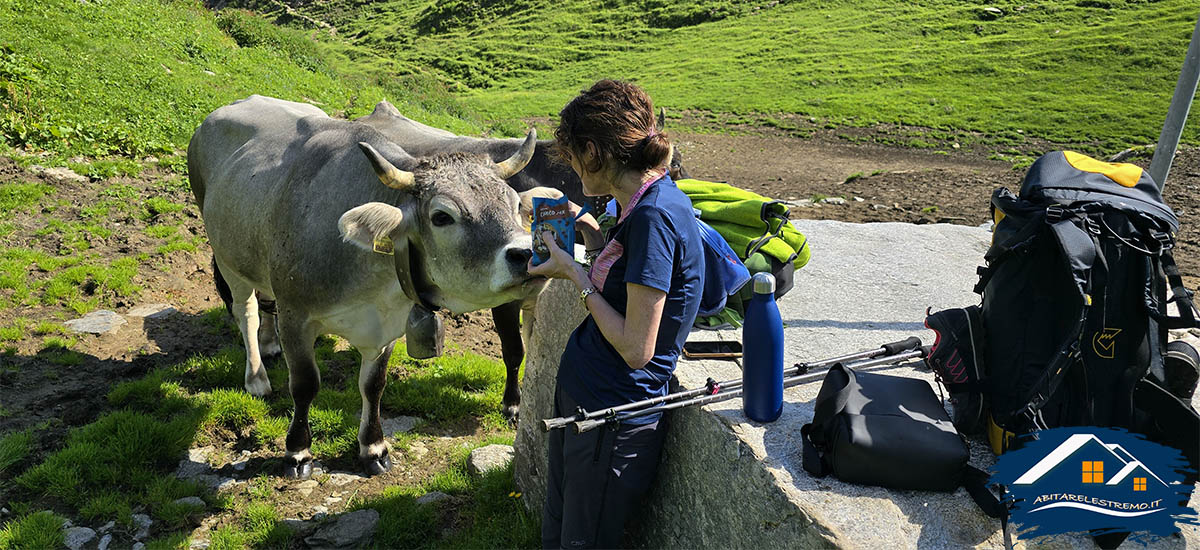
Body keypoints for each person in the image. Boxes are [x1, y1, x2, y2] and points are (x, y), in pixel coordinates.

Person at [529, 79, 705, 549]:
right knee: (562, 530)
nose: (569, 167)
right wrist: (588, 233)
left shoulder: (654, 217)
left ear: (593, 152)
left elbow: (635, 348)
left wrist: (575, 277)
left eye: (570, 157)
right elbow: (629, 280)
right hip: (590, 402)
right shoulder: (645, 201)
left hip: (613, 415)